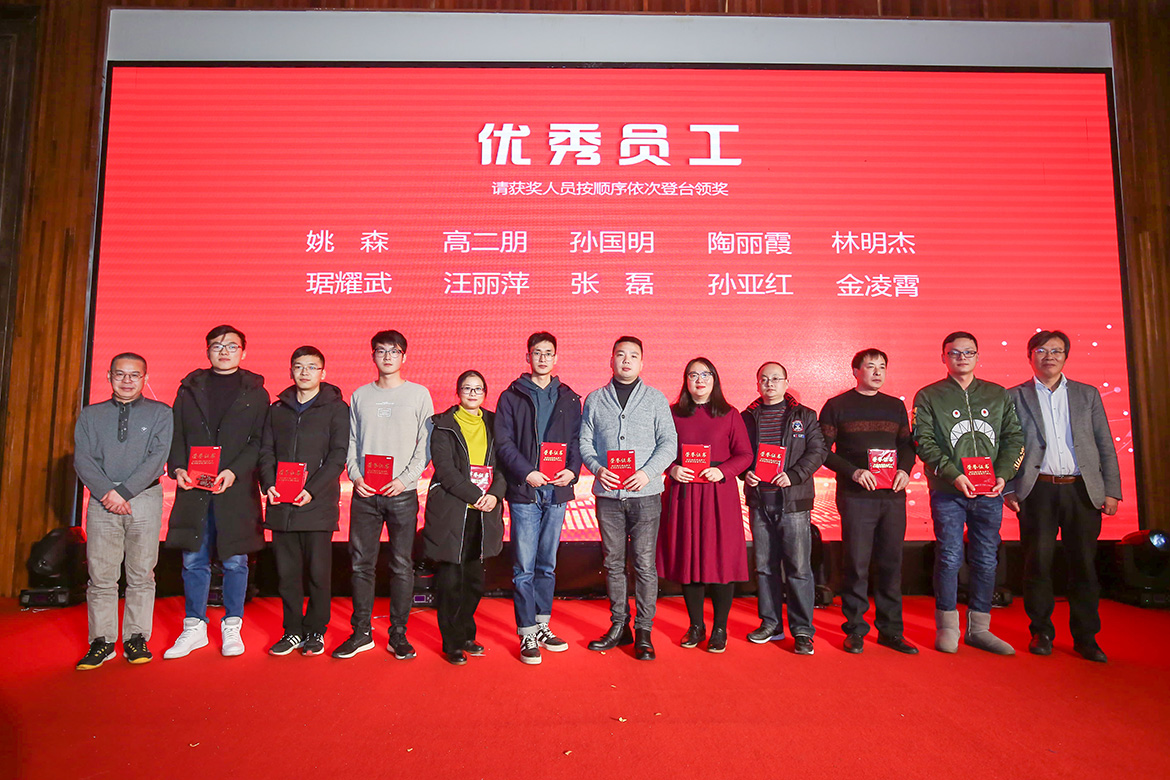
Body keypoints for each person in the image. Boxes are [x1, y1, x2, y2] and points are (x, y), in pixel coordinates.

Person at [1004, 330, 1121, 662]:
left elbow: (1104, 442)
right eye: (1042, 350)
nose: (1049, 357)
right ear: (1030, 356)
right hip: (1037, 489)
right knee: (1037, 563)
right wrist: (1009, 487)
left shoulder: (1087, 394)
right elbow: (1005, 445)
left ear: (1066, 356)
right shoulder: (1014, 396)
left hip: (1081, 490)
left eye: (1056, 351)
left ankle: (1086, 637)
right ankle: (1041, 631)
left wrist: (1111, 489)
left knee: (1083, 565)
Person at [913, 331, 1024, 655]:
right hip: (948, 491)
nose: (962, 358)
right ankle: (948, 627)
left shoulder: (997, 394)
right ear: (943, 357)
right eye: (954, 353)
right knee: (949, 556)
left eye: (968, 352)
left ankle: (980, 628)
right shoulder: (929, 395)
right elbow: (923, 441)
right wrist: (954, 474)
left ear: (978, 356)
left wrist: (1003, 475)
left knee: (986, 558)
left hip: (990, 493)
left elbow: (1014, 438)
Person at [164, 325, 268, 659]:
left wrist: (233, 471)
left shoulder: (256, 392)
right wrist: (178, 468)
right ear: (207, 350)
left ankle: (232, 624)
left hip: (235, 488)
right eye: (217, 346)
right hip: (194, 486)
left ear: (243, 352)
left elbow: (259, 442)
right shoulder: (189, 388)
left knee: (236, 560)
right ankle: (194, 625)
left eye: (232, 346)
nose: (224, 351)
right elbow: (177, 434)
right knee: (193, 558)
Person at [336, 329, 433, 660]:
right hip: (365, 493)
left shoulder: (419, 394)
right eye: (381, 350)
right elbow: (351, 441)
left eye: (394, 351)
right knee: (361, 565)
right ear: (373, 356)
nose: (388, 356)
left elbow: (426, 445)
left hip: (402, 494)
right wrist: (355, 475)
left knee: (402, 565)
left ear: (404, 356)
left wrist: (405, 480)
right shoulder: (360, 395)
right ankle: (361, 632)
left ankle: (398, 634)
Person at [580, 336, 677, 660]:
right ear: (611, 360)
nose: (626, 360)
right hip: (608, 496)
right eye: (620, 355)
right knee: (613, 563)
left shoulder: (655, 399)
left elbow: (669, 443)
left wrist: (648, 473)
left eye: (633, 356)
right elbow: (584, 442)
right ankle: (619, 626)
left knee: (645, 564)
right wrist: (597, 468)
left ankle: (644, 630)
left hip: (645, 495)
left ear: (641, 363)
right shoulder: (595, 399)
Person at [73, 353, 173, 669]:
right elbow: (83, 459)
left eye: (134, 375)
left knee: (141, 573)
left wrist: (124, 492)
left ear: (145, 378)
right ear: (109, 376)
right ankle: (102, 641)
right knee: (101, 576)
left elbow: (158, 458)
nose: (127, 381)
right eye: (120, 374)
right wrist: (108, 493)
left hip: (144, 496)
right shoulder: (90, 415)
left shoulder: (161, 413)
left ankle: (136, 638)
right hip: (102, 499)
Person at [819, 349, 917, 655]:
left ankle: (891, 631)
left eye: (882, 367)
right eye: (870, 366)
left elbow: (907, 445)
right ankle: (855, 630)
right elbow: (822, 450)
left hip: (892, 497)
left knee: (891, 563)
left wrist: (905, 469)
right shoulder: (837, 406)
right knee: (857, 564)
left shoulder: (894, 406)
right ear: (855, 371)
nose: (877, 372)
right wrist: (854, 471)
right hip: (856, 496)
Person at [496, 332, 582, 665]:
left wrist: (572, 471)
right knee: (524, 567)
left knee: (547, 564)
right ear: (527, 357)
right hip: (525, 492)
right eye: (537, 352)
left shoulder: (569, 397)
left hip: (557, 491)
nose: (543, 358)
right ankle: (527, 631)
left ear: (556, 358)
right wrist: (527, 472)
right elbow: (504, 443)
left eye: (548, 353)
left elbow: (577, 441)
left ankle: (543, 624)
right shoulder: (511, 396)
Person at [259, 346, 349, 657]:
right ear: (291, 371)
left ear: (323, 373)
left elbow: (338, 455)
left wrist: (312, 489)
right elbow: (266, 451)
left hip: (316, 505)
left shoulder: (336, 409)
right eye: (299, 366)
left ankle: (316, 630)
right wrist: (269, 484)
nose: (305, 372)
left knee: (318, 575)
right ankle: (292, 630)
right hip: (280, 504)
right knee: (287, 576)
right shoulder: (277, 409)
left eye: (312, 367)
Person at [659, 358, 753, 653]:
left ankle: (720, 628)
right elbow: (658, 450)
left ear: (715, 379)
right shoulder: (672, 413)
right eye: (693, 375)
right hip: (684, 493)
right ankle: (696, 625)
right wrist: (672, 468)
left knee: (720, 559)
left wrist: (723, 471)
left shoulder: (729, 414)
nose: (699, 380)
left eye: (705, 374)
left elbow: (745, 455)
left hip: (718, 494)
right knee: (689, 559)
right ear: (685, 380)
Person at [740, 362, 827, 654]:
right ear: (757, 384)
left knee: (799, 568)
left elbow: (818, 451)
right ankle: (771, 624)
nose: (770, 384)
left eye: (776, 378)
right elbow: (739, 454)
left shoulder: (805, 415)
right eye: (764, 379)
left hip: (793, 502)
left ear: (786, 382)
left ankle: (802, 631)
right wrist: (745, 473)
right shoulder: (746, 417)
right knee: (765, 567)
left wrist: (794, 475)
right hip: (759, 501)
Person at [423, 371, 507, 665]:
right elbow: (445, 470)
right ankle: (452, 642)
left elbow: (503, 466)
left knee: (474, 581)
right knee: (450, 581)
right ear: (458, 392)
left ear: (485, 393)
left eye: (478, 389)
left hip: (483, 513)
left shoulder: (496, 424)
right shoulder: (442, 424)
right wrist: (476, 495)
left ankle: (467, 634)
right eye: (467, 388)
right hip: (453, 511)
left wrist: (495, 494)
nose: (472, 393)